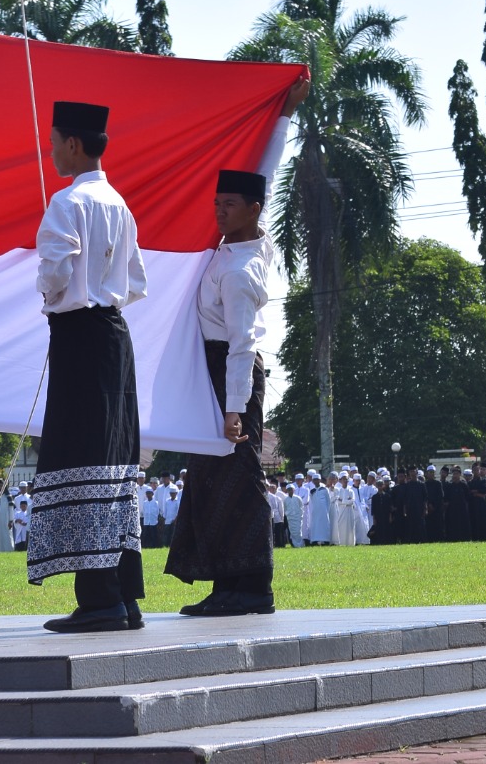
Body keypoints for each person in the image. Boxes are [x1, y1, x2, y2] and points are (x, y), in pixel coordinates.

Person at [166, 81, 302, 620]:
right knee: (211, 481)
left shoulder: (243, 269)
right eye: (216, 202)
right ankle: (227, 583)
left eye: (230, 204)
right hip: (213, 373)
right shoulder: (235, 247)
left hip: (230, 375)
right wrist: (281, 119)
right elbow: (262, 169)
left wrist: (232, 410)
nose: (219, 211)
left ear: (254, 209)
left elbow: (243, 345)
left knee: (238, 483)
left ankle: (251, 587)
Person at [26, 100, 148, 634]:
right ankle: (123, 595)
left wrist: (51, 294)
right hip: (114, 337)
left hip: (79, 337)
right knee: (114, 463)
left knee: (81, 460)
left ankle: (99, 600)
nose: (50, 150)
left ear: (73, 143)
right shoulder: (120, 204)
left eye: (54, 141)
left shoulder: (68, 202)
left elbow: (54, 272)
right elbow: (138, 282)